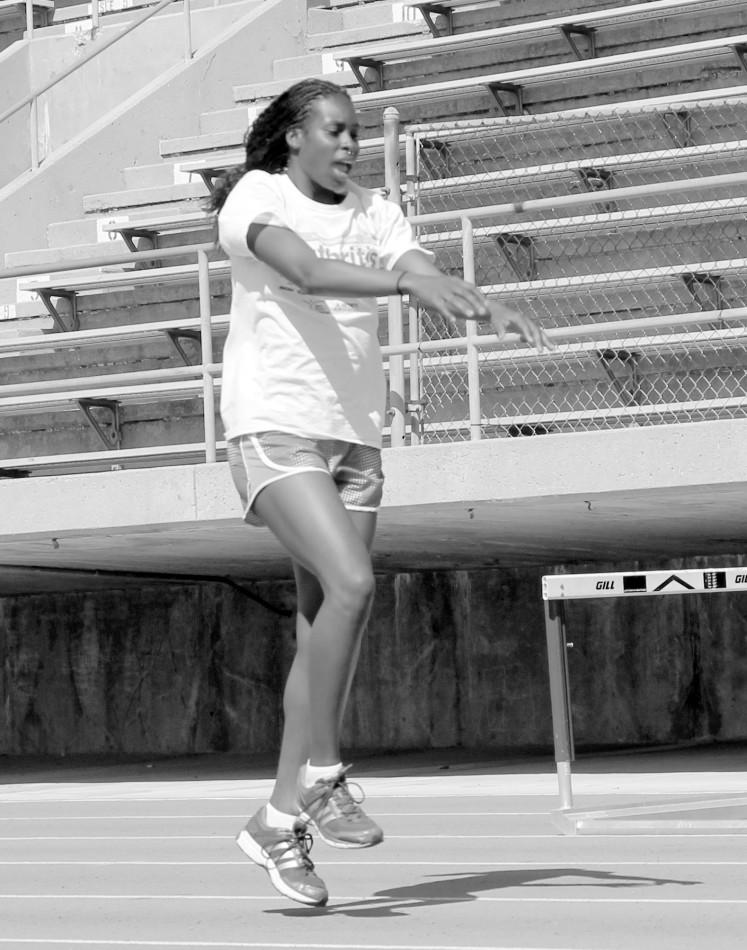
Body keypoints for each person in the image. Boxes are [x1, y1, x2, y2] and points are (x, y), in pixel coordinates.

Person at [210, 78, 551, 908]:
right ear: (293, 137)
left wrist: (475, 300)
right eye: (334, 130)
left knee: (322, 625)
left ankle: (277, 824)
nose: (350, 144)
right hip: (274, 426)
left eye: (356, 132)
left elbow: (415, 265)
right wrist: (406, 288)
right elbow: (305, 268)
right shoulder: (255, 197)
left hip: (354, 439)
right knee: (353, 586)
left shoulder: (376, 209)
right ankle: (323, 775)